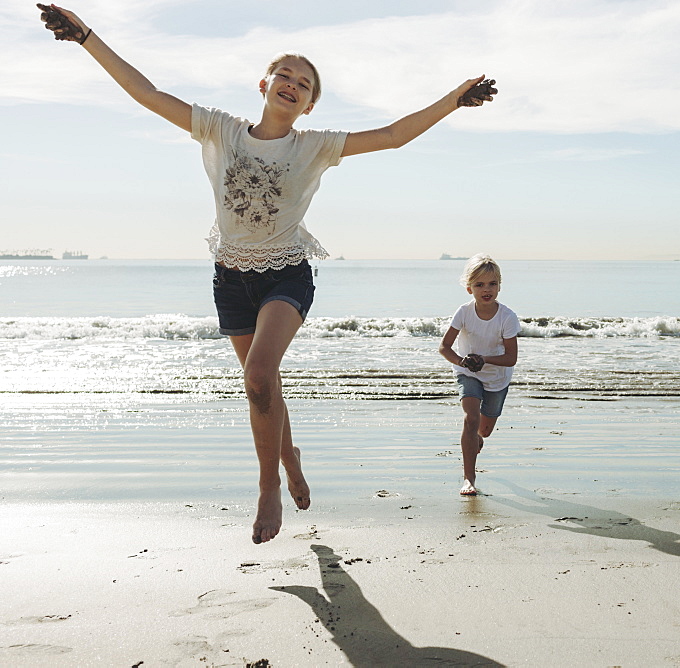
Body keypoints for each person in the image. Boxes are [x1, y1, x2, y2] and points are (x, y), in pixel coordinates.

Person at [37, 4, 497, 543]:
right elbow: (148, 93)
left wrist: (453, 100)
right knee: (265, 387)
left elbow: (394, 134)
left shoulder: (314, 146)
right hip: (231, 277)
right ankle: (290, 458)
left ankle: (268, 487)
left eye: (305, 84)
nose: (293, 84)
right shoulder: (221, 130)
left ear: (309, 104)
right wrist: (87, 36)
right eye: (286, 75)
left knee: (257, 377)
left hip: (285, 274)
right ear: (264, 83)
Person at [438, 254, 520, 495]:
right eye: (480, 284)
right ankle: (469, 479)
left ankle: (477, 439)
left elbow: (511, 358)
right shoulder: (463, 312)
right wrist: (462, 362)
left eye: (492, 284)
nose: (487, 290)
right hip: (468, 373)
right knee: (471, 418)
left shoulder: (507, 316)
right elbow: (444, 347)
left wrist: (485, 359)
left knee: (483, 430)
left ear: (499, 286)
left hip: (497, 377)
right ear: (469, 288)